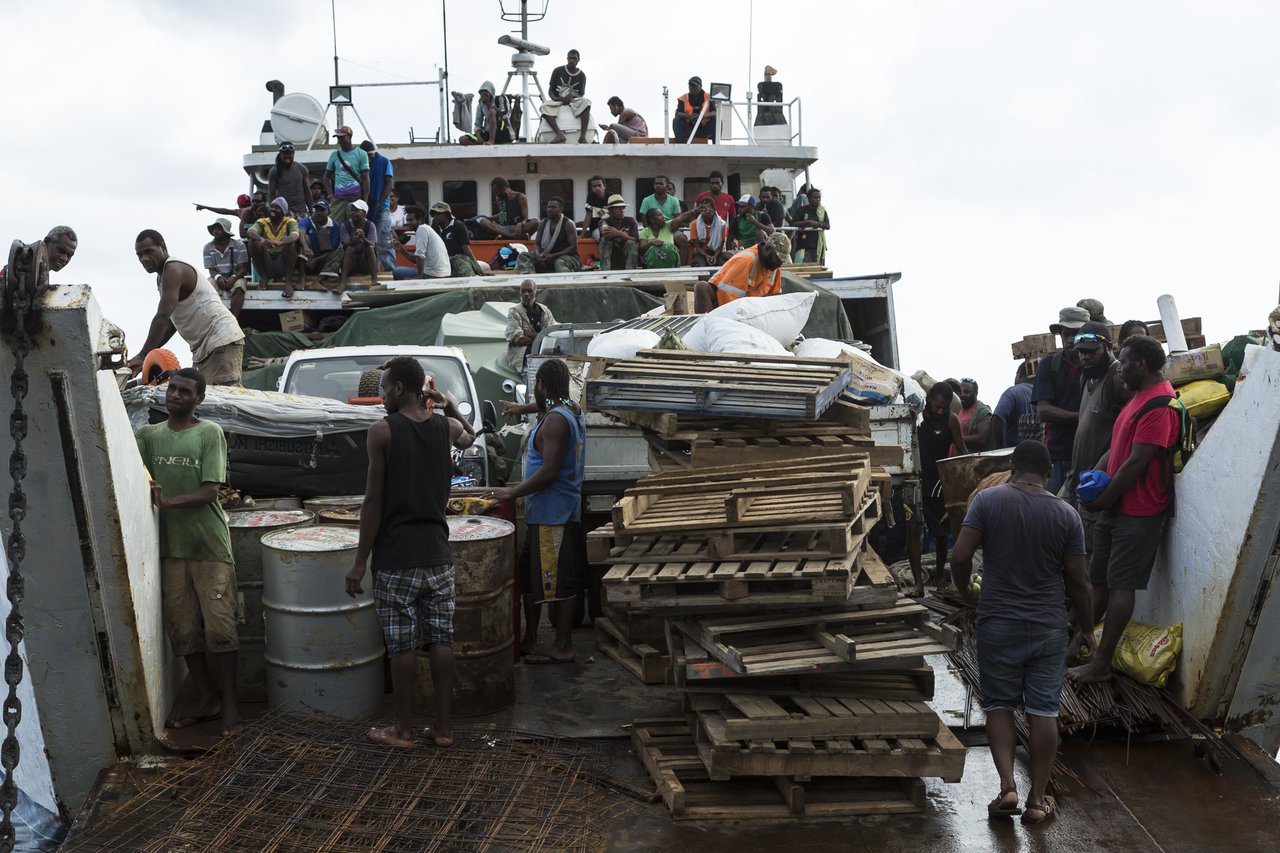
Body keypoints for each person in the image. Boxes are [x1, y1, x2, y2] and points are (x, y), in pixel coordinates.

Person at [951, 440, 1095, 827]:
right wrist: (1087, 631)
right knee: (1043, 710)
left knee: (999, 704)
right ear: (1048, 472)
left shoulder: (987, 502)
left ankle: (1007, 788)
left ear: (1013, 467)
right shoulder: (1067, 514)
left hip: (998, 621)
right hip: (1048, 627)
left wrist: (965, 591)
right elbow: (1079, 582)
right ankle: (1035, 800)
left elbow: (960, 557)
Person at [346, 356, 474, 749]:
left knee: (401, 644)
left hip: (397, 557)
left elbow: (373, 503)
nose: (382, 396)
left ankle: (402, 730)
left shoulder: (382, 432)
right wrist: (448, 402)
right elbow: (470, 435)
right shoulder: (446, 427)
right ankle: (444, 729)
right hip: (438, 555)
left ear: (399, 388)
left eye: (384, 388)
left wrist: (359, 561)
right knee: (441, 640)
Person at [136, 367, 243, 737]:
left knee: (220, 627)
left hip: (209, 545)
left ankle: (229, 703)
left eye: (185, 391)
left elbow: (210, 491)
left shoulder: (208, 433)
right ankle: (206, 697)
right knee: (182, 630)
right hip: (170, 550)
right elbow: (131, 474)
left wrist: (167, 503)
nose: (175, 395)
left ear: (198, 398)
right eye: (172, 389)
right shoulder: (148, 437)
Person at [1070, 335, 1180, 685]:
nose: (1120, 369)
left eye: (1125, 361)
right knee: (1097, 581)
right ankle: (1076, 644)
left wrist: (1104, 499)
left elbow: (1135, 464)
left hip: (1139, 511)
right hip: (1115, 507)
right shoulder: (1137, 399)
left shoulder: (1160, 403)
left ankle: (1101, 664)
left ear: (1141, 365)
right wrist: (1096, 475)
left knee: (1120, 588)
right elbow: (1115, 449)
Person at [490, 359, 586, 663]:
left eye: (537, 388)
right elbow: (550, 403)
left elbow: (549, 472)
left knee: (558, 580)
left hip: (553, 512)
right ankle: (530, 639)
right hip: (542, 512)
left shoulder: (557, 421)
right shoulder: (570, 407)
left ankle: (563, 646)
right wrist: (522, 410)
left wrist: (512, 491)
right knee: (531, 577)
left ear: (541, 385)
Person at [130, 230, 245, 386]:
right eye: (139, 255)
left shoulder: (173, 269)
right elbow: (171, 324)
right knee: (201, 401)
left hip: (220, 340)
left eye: (149, 252)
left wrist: (143, 355)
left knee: (222, 405)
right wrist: (144, 356)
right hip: (204, 349)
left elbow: (162, 317)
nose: (144, 259)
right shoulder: (162, 278)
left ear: (162, 246)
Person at [1067, 323, 1129, 528]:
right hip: (1077, 479)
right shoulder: (1086, 377)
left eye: (1092, 351)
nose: (1085, 357)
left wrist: (1098, 473)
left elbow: (1130, 431)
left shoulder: (1117, 378)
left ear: (1108, 347)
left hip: (1097, 484)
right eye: (1081, 352)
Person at [911, 381, 968, 596]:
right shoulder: (915, 416)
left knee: (942, 534)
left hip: (938, 485)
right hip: (916, 480)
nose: (940, 410)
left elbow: (962, 451)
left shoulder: (950, 420)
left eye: (944, 407)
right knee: (914, 531)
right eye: (937, 406)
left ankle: (941, 579)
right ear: (929, 399)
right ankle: (918, 584)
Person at [1032, 305, 1089, 494]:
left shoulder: (1095, 365)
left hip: (1091, 453)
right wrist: (1084, 416)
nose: (1070, 339)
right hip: (1058, 455)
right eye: (1066, 334)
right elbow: (1044, 411)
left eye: (1077, 333)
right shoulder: (1049, 366)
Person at [693, 231, 790, 312]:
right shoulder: (746, 261)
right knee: (701, 287)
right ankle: (706, 328)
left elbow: (774, 298)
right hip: (724, 307)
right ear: (768, 249)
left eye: (782, 261)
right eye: (778, 259)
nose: (780, 264)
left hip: (751, 310)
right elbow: (728, 300)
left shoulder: (774, 265)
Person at [245, 197, 303, 296]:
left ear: (284, 211)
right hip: (267, 264)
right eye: (272, 207)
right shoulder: (263, 221)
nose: (273, 210)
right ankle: (264, 278)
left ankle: (288, 281)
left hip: (284, 262)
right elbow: (250, 231)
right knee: (253, 242)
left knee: (291, 244)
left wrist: (280, 243)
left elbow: (295, 235)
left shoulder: (289, 221)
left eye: (277, 208)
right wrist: (262, 240)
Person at [515, 198, 581, 273]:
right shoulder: (543, 223)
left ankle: (565, 283)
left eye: (553, 207)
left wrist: (553, 255)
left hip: (565, 257)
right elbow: (537, 244)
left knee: (560, 262)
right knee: (523, 256)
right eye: (548, 207)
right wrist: (537, 255)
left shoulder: (568, 224)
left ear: (561, 209)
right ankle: (531, 280)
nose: (549, 209)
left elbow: (573, 248)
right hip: (546, 257)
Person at [505, 279, 558, 373]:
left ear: (535, 293)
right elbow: (517, 338)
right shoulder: (514, 312)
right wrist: (541, 338)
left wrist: (527, 333)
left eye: (529, 291)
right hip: (523, 360)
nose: (526, 294)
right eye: (523, 291)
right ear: (520, 293)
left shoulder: (544, 311)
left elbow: (552, 334)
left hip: (545, 357)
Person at [360, 140, 396, 273]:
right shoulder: (360, 164)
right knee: (368, 243)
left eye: (371, 155)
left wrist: (379, 203)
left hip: (381, 208)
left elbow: (389, 184)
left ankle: (391, 272)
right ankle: (372, 272)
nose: (370, 158)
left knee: (384, 242)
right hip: (364, 209)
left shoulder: (384, 162)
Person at [540, 50, 591, 144]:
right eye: (570, 58)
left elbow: (581, 94)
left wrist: (571, 96)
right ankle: (559, 134)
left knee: (586, 103)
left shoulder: (581, 75)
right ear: (567, 59)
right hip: (558, 100)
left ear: (578, 60)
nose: (572, 60)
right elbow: (551, 90)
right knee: (544, 107)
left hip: (574, 100)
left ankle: (583, 137)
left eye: (574, 58)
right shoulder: (557, 71)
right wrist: (555, 98)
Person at [202, 218, 250, 318]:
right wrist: (219, 278)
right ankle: (213, 317)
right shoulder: (207, 247)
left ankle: (233, 319)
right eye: (214, 229)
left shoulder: (239, 245)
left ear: (226, 231)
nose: (215, 231)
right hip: (217, 276)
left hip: (236, 275)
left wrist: (233, 278)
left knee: (239, 287)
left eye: (219, 228)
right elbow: (211, 270)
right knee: (208, 287)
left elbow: (243, 268)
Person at [324, 125, 370, 223]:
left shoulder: (361, 154)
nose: (339, 140)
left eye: (342, 137)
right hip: (338, 199)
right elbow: (326, 177)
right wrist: (330, 195)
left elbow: (365, 178)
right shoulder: (334, 155)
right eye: (338, 138)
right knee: (334, 225)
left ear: (349, 137)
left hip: (355, 198)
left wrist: (364, 200)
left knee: (354, 226)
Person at [431, 202, 488, 277]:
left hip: (458, 260)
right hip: (442, 261)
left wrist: (478, 269)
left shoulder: (458, 226)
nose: (435, 217)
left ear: (447, 215)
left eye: (438, 214)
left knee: (460, 261)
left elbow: (466, 248)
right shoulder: (434, 228)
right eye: (434, 214)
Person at [394, 205, 451, 280]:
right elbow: (416, 259)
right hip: (442, 273)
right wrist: (401, 248)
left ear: (420, 220)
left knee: (397, 271)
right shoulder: (425, 229)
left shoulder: (422, 229)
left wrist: (418, 277)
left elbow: (420, 256)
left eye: (411, 220)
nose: (408, 223)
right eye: (407, 220)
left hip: (434, 275)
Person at [992, 362, 1040, 448]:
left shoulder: (1012, 392)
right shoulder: (1043, 395)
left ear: (1019, 375)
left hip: (1014, 452)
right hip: (1041, 451)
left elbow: (997, 418)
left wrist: (1001, 447)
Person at [472, 177, 538, 240]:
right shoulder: (498, 198)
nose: (496, 195)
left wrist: (520, 224)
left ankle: (507, 236)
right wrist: (489, 218)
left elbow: (525, 218)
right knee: (483, 222)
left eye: (496, 192)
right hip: (504, 229)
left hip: (519, 228)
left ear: (503, 189)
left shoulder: (521, 197)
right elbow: (502, 214)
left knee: (536, 222)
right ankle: (512, 237)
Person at [336, 199, 378, 292]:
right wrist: (354, 241)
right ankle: (342, 283)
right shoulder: (345, 225)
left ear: (364, 213)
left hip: (364, 263)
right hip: (351, 263)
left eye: (356, 210)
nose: (353, 213)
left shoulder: (370, 225)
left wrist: (363, 239)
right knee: (350, 249)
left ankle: (374, 281)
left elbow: (373, 244)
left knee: (370, 248)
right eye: (352, 210)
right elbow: (345, 244)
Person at [298, 199, 344, 281]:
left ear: (328, 212)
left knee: (338, 250)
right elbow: (301, 232)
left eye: (322, 210)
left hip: (322, 260)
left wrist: (316, 260)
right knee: (303, 237)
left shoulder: (335, 226)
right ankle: (302, 276)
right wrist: (305, 247)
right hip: (308, 258)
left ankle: (322, 277)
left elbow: (332, 250)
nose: (319, 212)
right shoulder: (307, 220)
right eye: (317, 210)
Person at [459, 81, 513, 145]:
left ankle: (491, 140)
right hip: (487, 133)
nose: (483, 95)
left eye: (485, 93)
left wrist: (489, 105)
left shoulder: (501, 98)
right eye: (481, 93)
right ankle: (480, 146)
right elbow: (477, 125)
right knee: (463, 139)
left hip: (502, 132)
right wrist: (479, 137)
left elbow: (505, 115)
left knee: (492, 111)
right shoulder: (480, 105)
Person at [267, 142, 312, 217]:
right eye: (285, 157)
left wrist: (311, 212)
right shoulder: (274, 171)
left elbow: (307, 191)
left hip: (301, 212)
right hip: (283, 213)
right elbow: (272, 194)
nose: (287, 159)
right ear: (280, 155)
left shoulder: (302, 169)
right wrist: (272, 212)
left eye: (289, 156)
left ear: (293, 155)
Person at [596, 195, 639, 270]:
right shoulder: (604, 222)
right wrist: (623, 236)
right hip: (611, 257)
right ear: (610, 210)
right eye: (618, 208)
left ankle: (630, 273)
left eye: (623, 207)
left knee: (631, 243)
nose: (622, 210)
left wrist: (618, 233)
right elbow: (605, 232)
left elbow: (635, 240)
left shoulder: (630, 221)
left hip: (626, 257)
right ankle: (606, 273)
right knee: (605, 241)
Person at [953, 378, 996, 452]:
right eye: (960, 391)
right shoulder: (957, 408)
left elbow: (982, 439)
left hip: (970, 459)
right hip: (952, 460)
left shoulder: (982, 412)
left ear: (976, 393)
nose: (962, 394)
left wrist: (954, 439)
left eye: (967, 392)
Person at [788, 187, 830, 264]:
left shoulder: (822, 211)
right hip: (804, 245)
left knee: (818, 270)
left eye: (819, 197)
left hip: (819, 246)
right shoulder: (801, 210)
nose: (818, 199)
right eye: (815, 197)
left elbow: (827, 225)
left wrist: (819, 224)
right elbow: (793, 223)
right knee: (803, 269)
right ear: (809, 199)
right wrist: (809, 222)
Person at [686, 197, 731, 266]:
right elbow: (697, 246)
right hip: (702, 253)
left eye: (706, 209)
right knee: (700, 264)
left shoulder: (722, 224)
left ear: (713, 209)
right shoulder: (694, 224)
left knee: (724, 264)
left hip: (717, 253)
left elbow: (721, 244)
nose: (703, 212)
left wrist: (715, 256)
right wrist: (707, 256)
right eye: (702, 209)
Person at [674, 76, 715, 142]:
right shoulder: (683, 98)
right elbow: (678, 113)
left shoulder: (709, 97)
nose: (692, 88)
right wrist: (690, 116)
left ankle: (715, 145)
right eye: (690, 85)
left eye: (695, 86)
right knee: (676, 121)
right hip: (689, 130)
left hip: (704, 130)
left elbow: (715, 112)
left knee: (715, 119)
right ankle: (681, 146)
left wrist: (702, 116)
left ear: (700, 86)